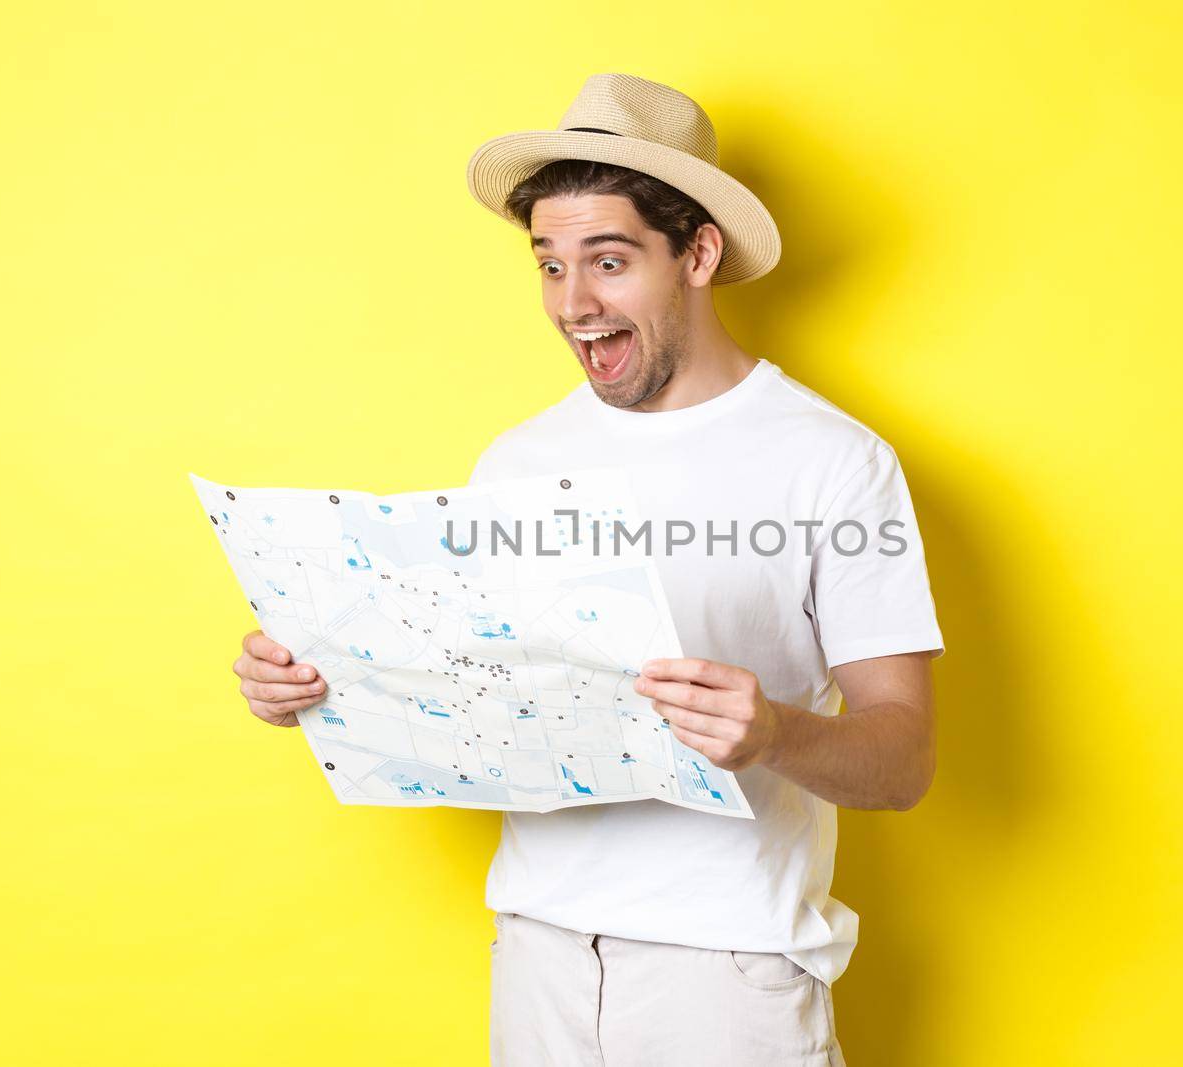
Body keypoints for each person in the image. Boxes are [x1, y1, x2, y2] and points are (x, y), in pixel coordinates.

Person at [230, 73, 946, 1066]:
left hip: (728, 965)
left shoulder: (831, 459)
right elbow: (472, 695)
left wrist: (774, 729)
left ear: (696, 253)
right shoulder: (515, 462)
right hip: (539, 951)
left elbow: (902, 758)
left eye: (609, 262)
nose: (575, 304)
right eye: (550, 264)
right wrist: (318, 678)